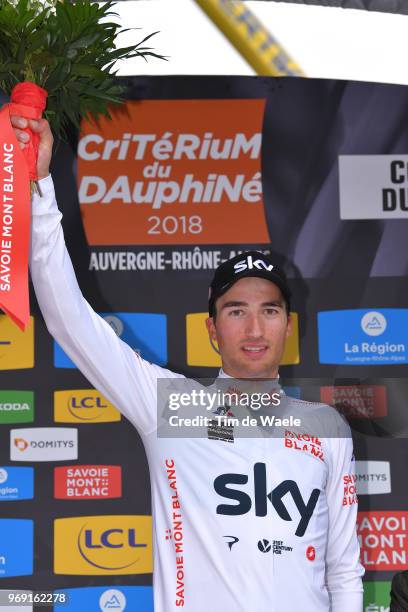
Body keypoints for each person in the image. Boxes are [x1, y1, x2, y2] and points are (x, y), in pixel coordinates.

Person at [11, 113, 364, 611]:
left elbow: (344, 570)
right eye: (236, 311)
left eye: (270, 311)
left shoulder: (327, 426)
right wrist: (41, 185)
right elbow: (68, 318)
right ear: (212, 330)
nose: (255, 328)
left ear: (288, 325)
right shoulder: (176, 409)